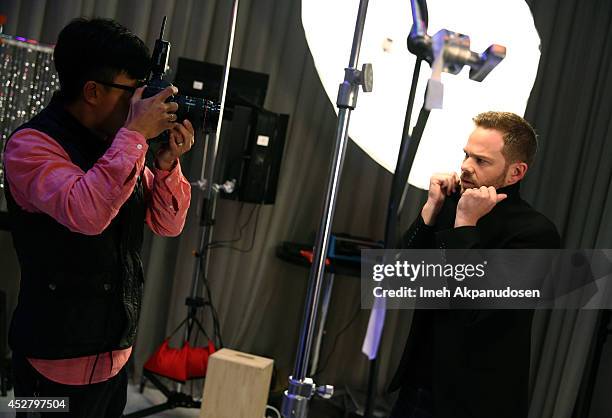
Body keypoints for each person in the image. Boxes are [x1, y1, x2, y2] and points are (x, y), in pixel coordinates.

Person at [3, 18, 195, 417]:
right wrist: (135, 136)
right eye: (132, 92)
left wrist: (165, 166)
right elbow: (87, 213)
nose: (141, 104)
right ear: (92, 90)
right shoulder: (31, 145)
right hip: (48, 365)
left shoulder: (120, 146)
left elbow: (167, 224)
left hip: (114, 358)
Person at [387, 112, 561, 418]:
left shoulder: (535, 233)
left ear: (515, 172)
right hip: (417, 386)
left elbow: (474, 311)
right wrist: (430, 211)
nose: (466, 166)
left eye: (481, 161)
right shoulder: (451, 205)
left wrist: (465, 225)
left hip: (475, 401)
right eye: (466, 155)